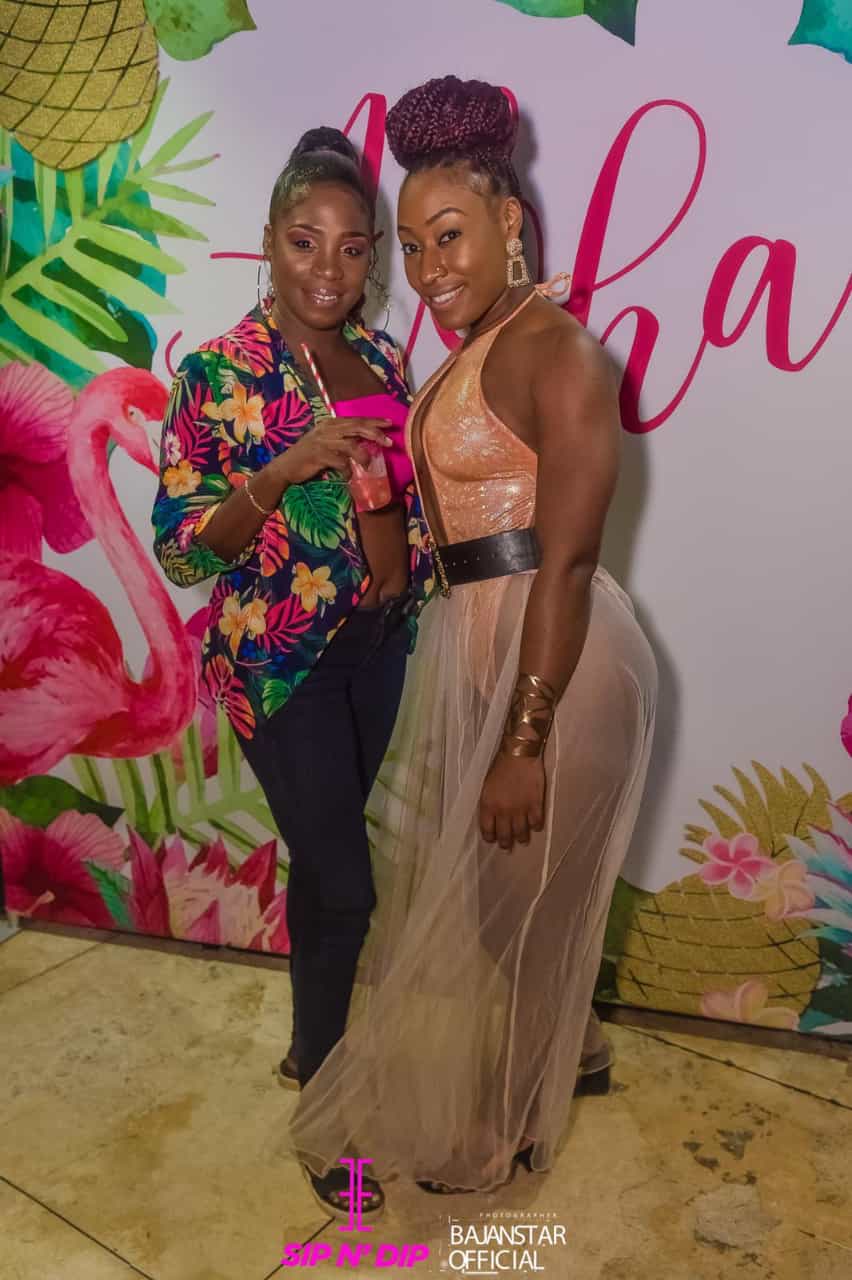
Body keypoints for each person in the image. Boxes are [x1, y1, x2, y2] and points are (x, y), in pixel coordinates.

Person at [288, 78, 657, 1195]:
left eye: (449, 236)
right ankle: (577, 1047)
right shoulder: (477, 344)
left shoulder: (561, 352)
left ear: (509, 221)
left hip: (558, 660)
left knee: (520, 912)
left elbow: (569, 560)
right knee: (507, 910)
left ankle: (511, 1123)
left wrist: (524, 740)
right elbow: (455, 531)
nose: (429, 267)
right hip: (481, 645)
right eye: (410, 246)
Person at [151, 127, 434, 1217]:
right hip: (280, 666)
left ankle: (305, 1042)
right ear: (268, 240)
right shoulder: (218, 373)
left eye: (354, 247)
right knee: (350, 887)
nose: (329, 267)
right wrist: (278, 471)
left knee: (326, 870)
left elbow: (405, 505)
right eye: (305, 240)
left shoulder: (388, 361)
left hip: (377, 650)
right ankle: (325, 1107)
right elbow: (185, 552)